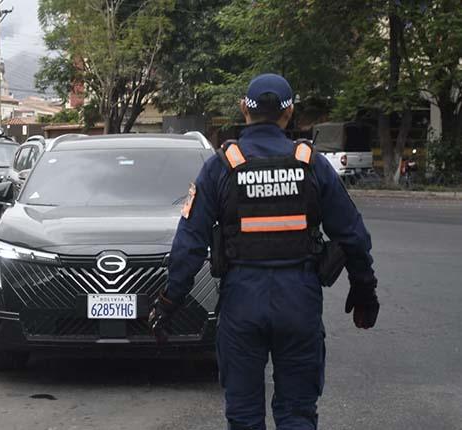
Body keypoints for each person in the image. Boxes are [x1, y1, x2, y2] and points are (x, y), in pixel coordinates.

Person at [149, 74, 380, 430]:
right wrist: (364, 289)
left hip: (241, 305)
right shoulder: (312, 164)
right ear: (290, 114)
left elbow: (189, 243)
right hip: (299, 305)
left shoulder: (221, 167)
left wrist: (168, 302)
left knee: (243, 416)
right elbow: (353, 235)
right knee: (297, 415)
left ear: (244, 109)